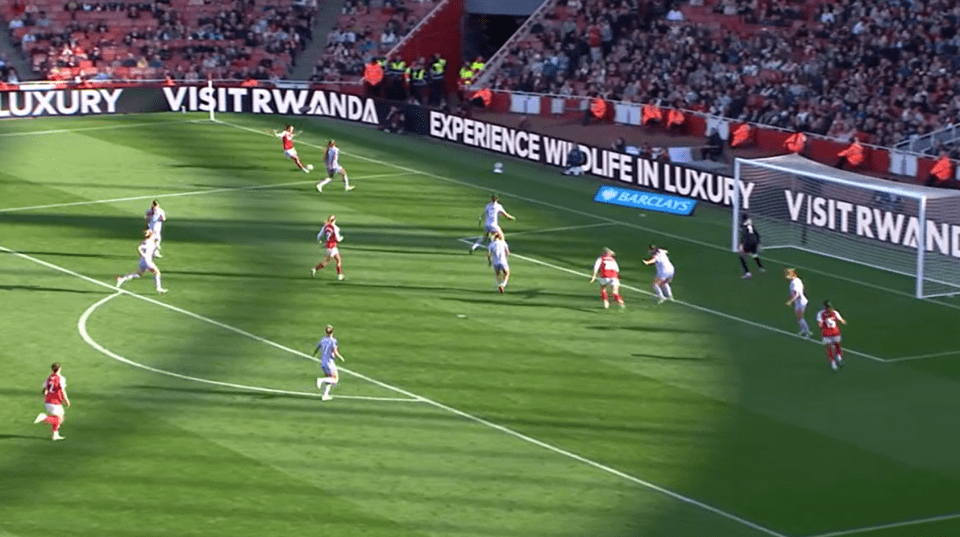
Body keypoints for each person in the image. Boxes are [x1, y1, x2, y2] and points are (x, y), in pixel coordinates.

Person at [116, 229, 167, 294]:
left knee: (138, 274)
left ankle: (122, 279)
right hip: (146, 260)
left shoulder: (151, 242)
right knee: (157, 273)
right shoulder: (148, 242)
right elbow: (139, 248)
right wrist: (143, 254)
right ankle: (159, 288)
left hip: (142, 260)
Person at [33, 362, 70, 441]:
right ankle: (44, 417)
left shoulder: (48, 378)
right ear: (59, 369)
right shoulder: (60, 378)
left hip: (48, 401)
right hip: (55, 401)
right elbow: (62, 390)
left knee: (60, 417)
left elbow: (44, 390)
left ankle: (55, 434)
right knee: (59, 418)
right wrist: (66, 400)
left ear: (52, 369)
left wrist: (46, 396)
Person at [312, 324, 345, 401]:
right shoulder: (333, 341)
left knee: (330, 379)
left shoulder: (323, 339)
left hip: (323, 362)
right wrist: (340, 357)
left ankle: (325, 395)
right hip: (329, 362)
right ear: (332, 332)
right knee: (335, 379)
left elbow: (317, 347)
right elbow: (335, 351)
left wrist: (315, 354)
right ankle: (321, 380)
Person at [312, 215, 345, 280]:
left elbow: (319, 235)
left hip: (328, 246)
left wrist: (319, 240)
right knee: (334, 261)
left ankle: (315, 269)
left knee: (332, 260)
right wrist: (342, 238)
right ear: (334, 220)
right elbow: (337, 239)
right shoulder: (335, 228)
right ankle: (339, 276)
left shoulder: (325, 227)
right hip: (332, 246)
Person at [816, 300, 847, 371]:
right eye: (828, 308)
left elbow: (840, 319)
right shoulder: (821, 313)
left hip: (835, 332)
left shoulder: (834, 312)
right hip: (826, 333)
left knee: (837, 345)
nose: (830, 309)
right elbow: (819, 322)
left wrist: (843, 321)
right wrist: (821, 323)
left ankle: (839, 358)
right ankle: (833, 362)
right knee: (829, 348)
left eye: (830, 307)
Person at [784, 268, 812, 337]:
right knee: (799, 317)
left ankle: (807, 332)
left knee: (800, 318)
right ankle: (803, 330)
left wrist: (790, 302)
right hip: (801, 301)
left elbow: (796, 294)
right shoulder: (798, 280)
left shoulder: (794, 283)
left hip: (800, 302)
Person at [738, 213, 765, 278]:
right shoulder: (751, 226)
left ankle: (747, 273)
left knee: (741, 256)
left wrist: (741, 244)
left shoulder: (743, 227)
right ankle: (761, 267)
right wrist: (758, 243)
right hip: (754, 242)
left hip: (748, 243)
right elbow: (757, 235)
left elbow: (744, 236)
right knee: (754, 254)